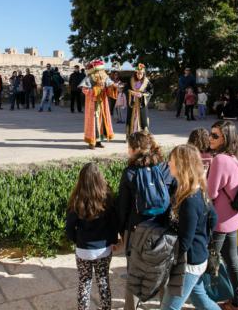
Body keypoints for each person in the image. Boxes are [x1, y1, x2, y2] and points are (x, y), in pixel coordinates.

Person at [160, 144, 220, 310]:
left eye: (171, 160)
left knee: (169, 308)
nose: (168, 163)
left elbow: (185, 242)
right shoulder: (196, 189)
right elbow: (213, 218)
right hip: (198, 257)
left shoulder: (189, 200)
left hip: (188, 263)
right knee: (201, 300)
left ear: (181, 165)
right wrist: (202, 239)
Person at [117, 131, 169, 310]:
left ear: (134, 149)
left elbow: (122, 208)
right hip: (160, 229)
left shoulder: (130, 173)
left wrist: (120, 232)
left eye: (128, 148)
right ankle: (165, 306)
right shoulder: (162, 168)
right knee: (160, 270)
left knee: (134, 273)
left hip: (136, 230)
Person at [65, 163, 118, 310]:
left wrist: (77, 240)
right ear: (99, 178)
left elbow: (69, 228)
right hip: (103, 249)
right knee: (103, 281)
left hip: (83, 250)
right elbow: (114, 223)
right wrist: (114, 240)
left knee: (84, 283)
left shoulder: (76, 199)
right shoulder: (107, 197)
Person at [207, 121, 238, 310]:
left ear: (226, 138)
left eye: (215, 136)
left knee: (207, 264)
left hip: (219, 222)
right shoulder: (237, 156)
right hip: (233, 218)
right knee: (232, 261)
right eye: (210, 134)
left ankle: (206, 302)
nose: (210, 138)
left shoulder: (220, 160)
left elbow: (211, 193)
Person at [79, 60, 118, 149]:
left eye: (102, 70)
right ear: (95, 70)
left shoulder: (105, 77)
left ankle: (99, 141)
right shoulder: (89, 78)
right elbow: (84, 89)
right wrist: (96, 89)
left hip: (103, 103)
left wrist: (114, 87)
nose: (101, 72)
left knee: (102, 123)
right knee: (94, 122)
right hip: (93, 103)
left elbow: (110, 87)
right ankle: (92, 142)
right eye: (99, 70)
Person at [125, 64, 153, 136]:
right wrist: (132, 93)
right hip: (133, 104)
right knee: (131, 118)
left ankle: (143, 135)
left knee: (142, 119)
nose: (139, 75)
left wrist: (142, 95)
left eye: (141, 74)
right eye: (138, 73)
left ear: (143, 74)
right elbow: (126, 90)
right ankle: (131, 134)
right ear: (136, 73)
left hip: (141, 104)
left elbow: (150, 91)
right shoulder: (131, 80)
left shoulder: (146, 82)